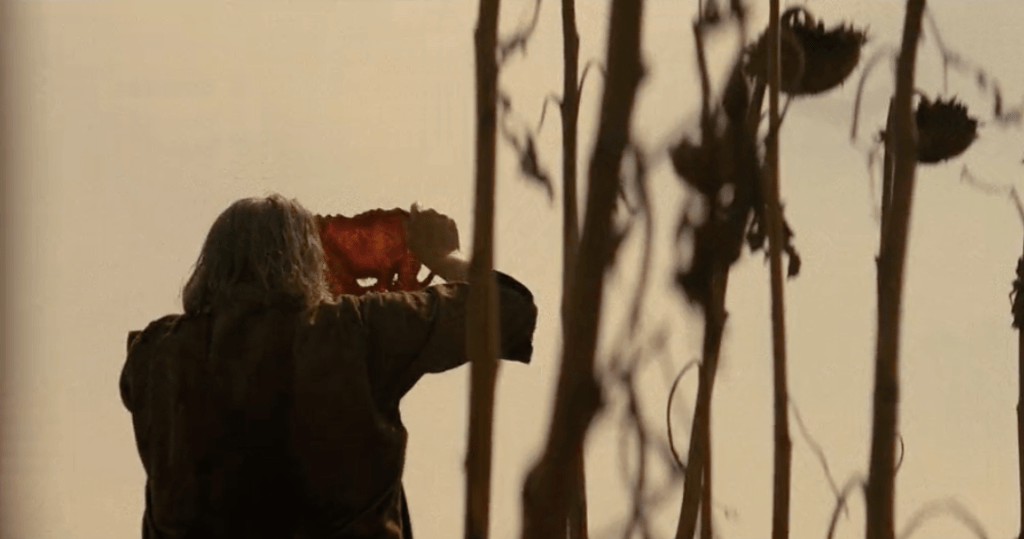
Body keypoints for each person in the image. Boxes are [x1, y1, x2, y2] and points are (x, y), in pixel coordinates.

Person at [120, 194, 537, 539]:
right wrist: (443, 256)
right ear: (309, 261)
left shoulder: (156, 355)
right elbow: (508, 309)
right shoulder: (356, 331)